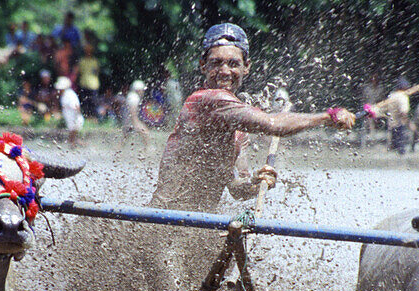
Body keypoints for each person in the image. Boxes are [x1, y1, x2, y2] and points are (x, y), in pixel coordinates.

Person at [149, 23, 355, 211]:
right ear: (203, 66)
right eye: (216, 63)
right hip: (166, 216)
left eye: (233, 63)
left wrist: (257, 182)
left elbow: (238, 190)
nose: (224, 71)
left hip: (201, 221)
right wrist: (328, 117)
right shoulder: (207, 99)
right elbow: (272, 124)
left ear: (246, 67)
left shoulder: (238, 133)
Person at [381, 77, 412, 154]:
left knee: (393, 146)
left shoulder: (392, 96)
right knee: (401, 147)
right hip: (400, 123)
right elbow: (403, 112)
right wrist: (408, 123)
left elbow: (385, 109)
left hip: (392, 123)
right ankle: (402, 163)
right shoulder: (403, 97)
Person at [122, 79, 153, 150]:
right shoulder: (134, 97)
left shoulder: (131, 96)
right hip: (131, 121)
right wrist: (136, 123)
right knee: (146, 133)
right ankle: (148, 149)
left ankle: (116, 151)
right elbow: (132, 111)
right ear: (138, 89)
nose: (143, 92)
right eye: (142, 90)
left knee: (124, 139)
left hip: (127, 121)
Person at [74, 41, 101, 119]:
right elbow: (78, 71)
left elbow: (96, 71)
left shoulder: (94, 61)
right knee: (85, 101)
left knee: (93, 102)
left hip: (93, 84)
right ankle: (87, 117)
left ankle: (94, 117)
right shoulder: (82, 61)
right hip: (84, 83)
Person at [56, 76, 84, 147]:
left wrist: (77, 116)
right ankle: (74, 143)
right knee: (73, 132)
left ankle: (73, 144)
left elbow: (76, 106)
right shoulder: (64, 94)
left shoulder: (69, 94)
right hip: (70, 117)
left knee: (73, 131)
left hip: (74, 117)